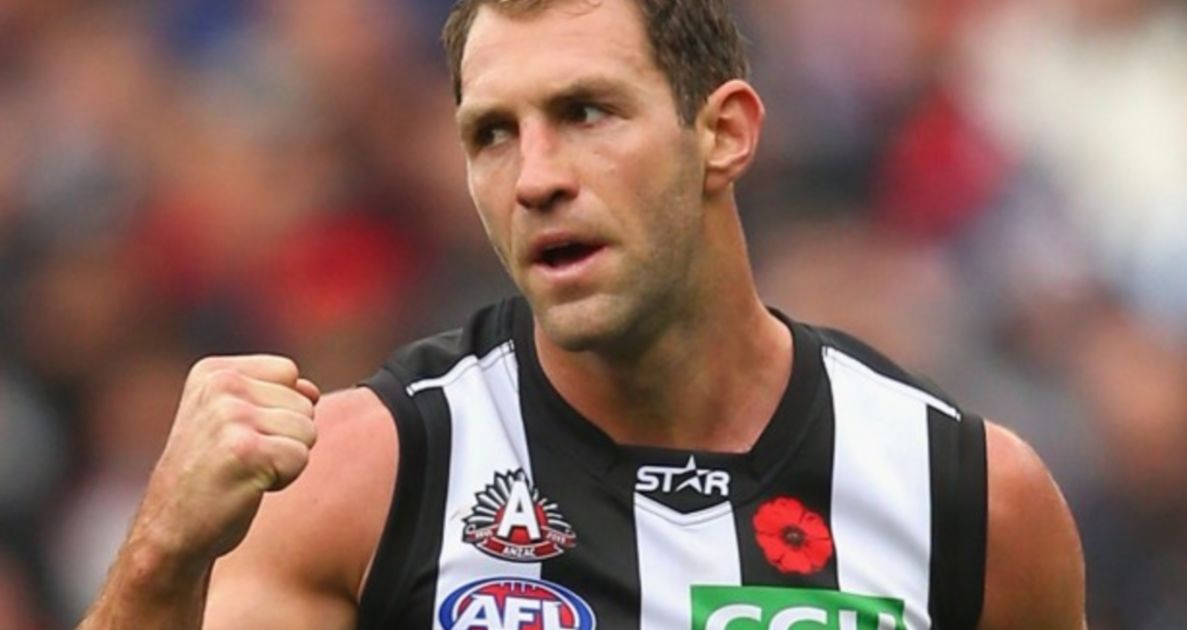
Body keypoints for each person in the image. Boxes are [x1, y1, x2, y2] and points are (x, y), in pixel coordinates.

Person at [78, 1, 1086, 628]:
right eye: (492, 134)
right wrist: (161, 555)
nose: (535, 178)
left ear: (725, 133)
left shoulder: (970, 498)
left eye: (585, 113)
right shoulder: (361, 479)